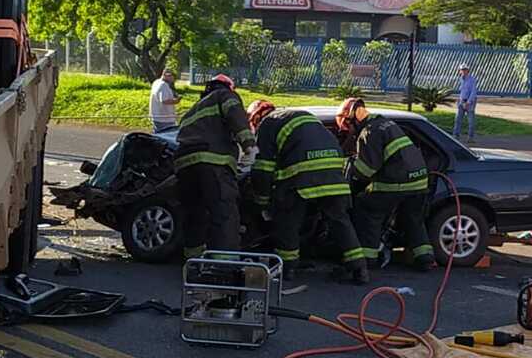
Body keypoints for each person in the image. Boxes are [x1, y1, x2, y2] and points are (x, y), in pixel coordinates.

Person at [248, 101, 368, 283]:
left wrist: (262, 201)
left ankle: (287, 269)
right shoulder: (300, 115)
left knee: (287, 221)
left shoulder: (268, 124)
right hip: (334, 173)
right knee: (340, 221)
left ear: (256, 117)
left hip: (302, 176)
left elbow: (263, 168)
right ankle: (359, 268)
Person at [337, 98, 434, 271]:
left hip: (394, 184)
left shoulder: (369, 132)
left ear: (352, 119)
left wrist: (348, 165)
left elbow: (365, 170)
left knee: (368, 212)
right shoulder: (388, 124)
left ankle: (368, 260)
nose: (349, 132)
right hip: (418, 183)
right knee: (413, 220)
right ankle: (425, 258)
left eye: (347, 127)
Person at [172, 74, 255, 260]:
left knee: (194, 214)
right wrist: (249, 146)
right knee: (224, 213)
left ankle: (192, 260)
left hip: (184, 166)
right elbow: (236, 117)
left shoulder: (192, 110)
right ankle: (224, 264)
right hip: (213, 161)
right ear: (228, 87)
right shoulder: (224, 96)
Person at [149, 68, 180, 132]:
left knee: (158, 135)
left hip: (157, 117)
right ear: (166, 76)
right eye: (171, 76)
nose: (173, 78)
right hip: (164, 119)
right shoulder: (163, 85)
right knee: (166, 136)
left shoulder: (156, 82)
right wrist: (176, 101)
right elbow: (164, 100)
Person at [454, 63, 478, 143]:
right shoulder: (461, 79)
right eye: (461, 70)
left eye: (464, 69)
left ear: (468, 70)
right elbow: (462, 91)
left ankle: (470, 137)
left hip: (470, 102)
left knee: (471, 121)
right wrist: (459, 99)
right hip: (462, 101)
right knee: (458, 119)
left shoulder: (472, 79)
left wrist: (468, 102)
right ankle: (455, 136)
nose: (463, 71)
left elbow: (473, 92)